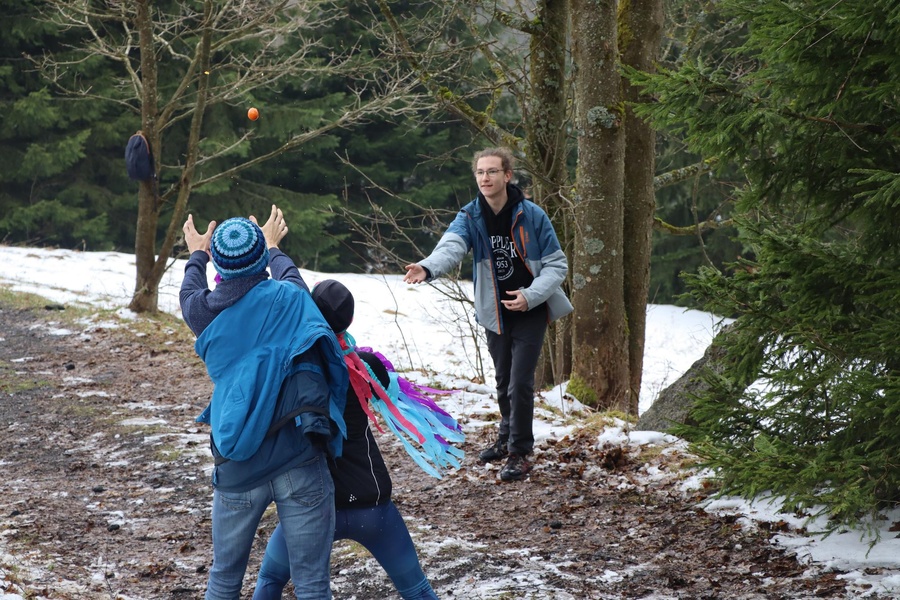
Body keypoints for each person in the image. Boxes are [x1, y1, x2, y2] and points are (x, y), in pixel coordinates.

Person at [253, 278, 459, 600]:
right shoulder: (366, 366)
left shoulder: (292, 371)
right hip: (371, 505)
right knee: (417, 588)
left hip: (314, 510)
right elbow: (389, 385)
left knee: (269, 580)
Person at [180, 206, 349, 600]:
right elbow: (290, 277)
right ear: (261, 263)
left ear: (221, 266)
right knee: (311, 585)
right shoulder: (290, 299)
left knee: (224, 579)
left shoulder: (203, 313)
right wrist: (273, 247)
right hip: (298, 455)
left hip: (238, 460)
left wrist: (197, 253)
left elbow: (189, 290)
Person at [403, 147, 573, 482]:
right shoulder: (470, 217)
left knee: (520, 383)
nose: (485, 178)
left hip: (531, 309)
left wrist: (530, 295)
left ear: (507, 176)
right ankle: (506, 437)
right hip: (494, 311)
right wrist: (427, 267)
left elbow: (557, 265)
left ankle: (520, 452)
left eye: (492, 171)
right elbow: (451, 247)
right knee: (503, 380)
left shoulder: (533, 215)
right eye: (480, 172)